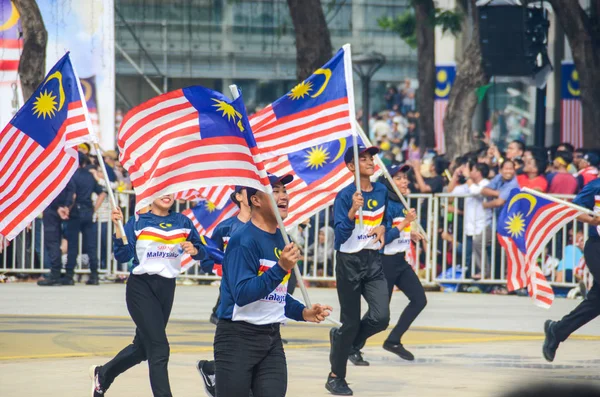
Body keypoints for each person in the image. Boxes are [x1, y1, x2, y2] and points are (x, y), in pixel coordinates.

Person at [214, 174, 332, 397]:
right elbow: (242, 294)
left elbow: (276, 295)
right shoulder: (243, 240)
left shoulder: (283, 239)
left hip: (271, 340)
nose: (283, 196)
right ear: (256, 200)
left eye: (284, 191)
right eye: (275, 191)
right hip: (237, 339)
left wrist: (303, 313)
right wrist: (280, 268)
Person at [89, 194, 207, 397]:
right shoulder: (137, 222)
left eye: (170, 192)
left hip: (167, 288)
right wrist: (118, 228)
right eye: (161, 192)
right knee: (159, 348)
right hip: (140, 288)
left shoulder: (183, 222)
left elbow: (203, 252)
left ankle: (104, 374)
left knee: (143, 348)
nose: (166, 196)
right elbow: (122, 255)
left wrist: (195, 249)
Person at [327, 146, 390, 396]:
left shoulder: (382, 190)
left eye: (371, 158)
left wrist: (384, 228)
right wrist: (353, 210)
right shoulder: (344, 196)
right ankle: (335, 377)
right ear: (351, 167)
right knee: (350, 322)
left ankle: (345, 341)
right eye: (362, 159)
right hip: (349, 262)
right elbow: (340, 238)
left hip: (373, 261)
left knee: (381, 317)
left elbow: (385, 219)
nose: (370, 162)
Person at [195, 186, 251, 397]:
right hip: (232, 296)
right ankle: (213, 370)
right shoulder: (226, 228)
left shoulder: (266, 225)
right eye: (248, 190)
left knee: (248, 351)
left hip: (259, 295)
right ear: (238, 197)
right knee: (238, 348)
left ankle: (211, 368)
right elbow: (207, 258)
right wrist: (222, 267)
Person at [543, 178, 600, 362]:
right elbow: (573, 210)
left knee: (595, 303)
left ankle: (557, 331)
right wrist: (594, 220)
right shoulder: (596, 185)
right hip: (597, 247)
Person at [379, 164, 427, 361]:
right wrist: (406, 223)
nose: (405, 181)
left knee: (419, 300)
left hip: (400, 261)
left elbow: (397, 231)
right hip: (385, 262)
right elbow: (384, 237)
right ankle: (352, 345)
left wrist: (409, 232)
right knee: (380, 316)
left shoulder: (400, 203)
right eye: (398, 178)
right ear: (388, 183)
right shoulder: (384, 205)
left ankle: (393, 340)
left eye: (405, 177)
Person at [65, 153, 107, 285]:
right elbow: (102, 193)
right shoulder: (90, 176)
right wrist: (94, 209)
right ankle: (94, 275)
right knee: (91, 245)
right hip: (88, 211)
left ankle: (69, 275)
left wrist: (68, 207)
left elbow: (72, 195)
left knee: (72, 245)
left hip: (75, 212)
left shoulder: (72, 176)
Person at [449, 162, 492, 279]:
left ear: (478, 172)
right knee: (467, 257)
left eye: (471, 170)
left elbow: (475, 191)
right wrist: (455, 177)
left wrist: (467, 177)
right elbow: (450, 194)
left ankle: (485, 278)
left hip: (483, 225)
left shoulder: (487, 184)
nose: (468, 173)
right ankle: (468, 281)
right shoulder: (467, 185)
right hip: (469, 228)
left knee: (482, 252)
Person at [37, 183, 74, 286]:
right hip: (64, 209)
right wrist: (66, 206)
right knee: (59, 242)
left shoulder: (55, 172)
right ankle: (62, 273)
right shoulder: (67, 174)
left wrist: (59, 206)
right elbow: (71, 191)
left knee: (52, 242)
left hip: (52, 209)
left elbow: (50, 191)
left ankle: (55, 274)